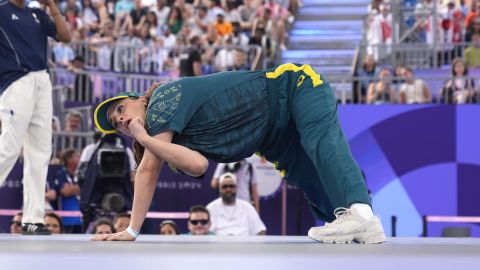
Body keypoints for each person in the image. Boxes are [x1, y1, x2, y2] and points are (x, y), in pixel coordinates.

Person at [91, 63, 387, 244]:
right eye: (117, 125)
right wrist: (146, 140)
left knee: (320, 143)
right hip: (271, 136)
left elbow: (148, 170)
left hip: (290, 88)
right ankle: (349, 223)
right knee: (308, 177)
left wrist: (131, 230)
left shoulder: (162, 98)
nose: (119, 120)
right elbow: (196, 165)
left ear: (139, 99)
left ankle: (361, 213)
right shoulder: (165, 142)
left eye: (120, 110)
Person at [0, 0, 71, 235]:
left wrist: (52, 5)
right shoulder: (1, 10)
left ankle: (32, 219)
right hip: (15, 82)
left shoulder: (38, 14)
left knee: (40, 153)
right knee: (9, 147)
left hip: (42, 79)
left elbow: (66, 36)